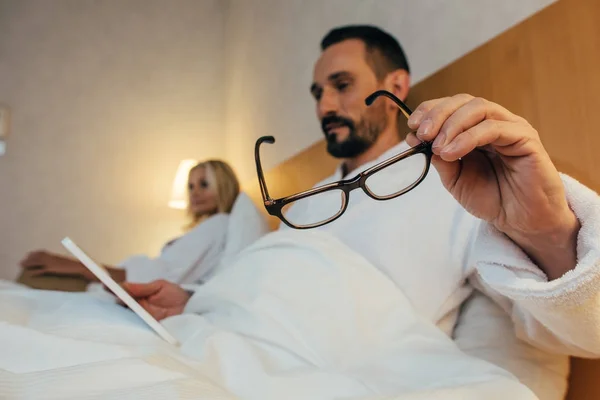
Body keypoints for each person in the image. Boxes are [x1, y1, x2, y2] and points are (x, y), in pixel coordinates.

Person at [118, 25, 600, 398]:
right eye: (316, 93)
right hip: (224, 340)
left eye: (341, 84)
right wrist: (198, 298)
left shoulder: (462, 184)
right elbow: (267, 288)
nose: (324, 104)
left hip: (314, 363)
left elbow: (583, 331)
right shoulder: (306, 201)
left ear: (395, 85)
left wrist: (545, 231)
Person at [19, 159, 241, 286]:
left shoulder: (219, 224)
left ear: (223, 185)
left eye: (204, 184)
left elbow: (157, 275)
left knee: (33, 276)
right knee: (32, 276)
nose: (195, 193)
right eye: (191, 186)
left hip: (132, 286)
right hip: (121, 284)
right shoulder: (205, 228)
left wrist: (77, 267)